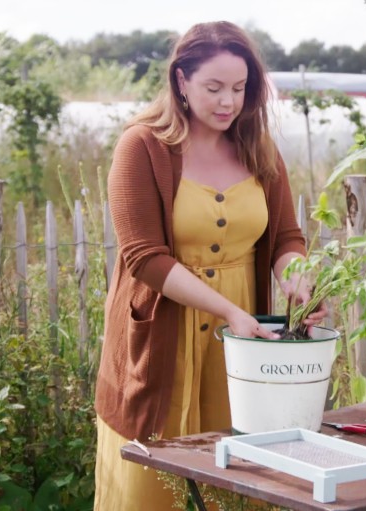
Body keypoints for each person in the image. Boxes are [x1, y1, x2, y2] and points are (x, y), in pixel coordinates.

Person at [94, 21, 326, 510]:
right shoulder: (142, 147)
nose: (228, 102)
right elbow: (144, 257)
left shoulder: (258, 149)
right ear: (181, 80)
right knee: (151, 483)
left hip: (240, 345)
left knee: (237, 476)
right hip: (166, 336)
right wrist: (228, 311)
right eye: (214, 87)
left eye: (239, 88)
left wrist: (298, 282)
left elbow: (286, 237)